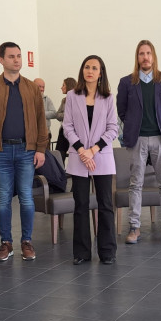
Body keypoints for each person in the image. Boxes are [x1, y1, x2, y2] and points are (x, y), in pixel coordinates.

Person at [0, 42, 47, 262]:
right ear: (1, 60)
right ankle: (6, 243)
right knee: (4, 198)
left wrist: (41, 149)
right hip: (1, 150)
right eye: (11, 56)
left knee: (26, 198)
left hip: (27, 150)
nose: (17, 60)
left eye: (19, 56)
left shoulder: (31, 88)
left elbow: (40, 121)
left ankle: (26, 241)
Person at [117, 39, 161, 245]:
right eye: (141, 53)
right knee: (136, 184)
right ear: (137, 57)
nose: (145, 57)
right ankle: (134, 227)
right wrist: (134, 126)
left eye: (148, 53)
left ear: (153, 56)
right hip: (137, 139)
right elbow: (122, 110)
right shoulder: (127, 83)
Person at [63, 55, 118, 265]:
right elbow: (67, 126)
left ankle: (107, 252)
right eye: (87, 67)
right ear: (82, 70)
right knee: (81, 205)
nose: (90, 71)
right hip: (79, 158)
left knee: (105, 204)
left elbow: (113, 128)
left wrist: (93, 150)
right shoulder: (71, 96)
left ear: (100, 72)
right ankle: (82, 252)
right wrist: (81, 150)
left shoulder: (108, 98)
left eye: (95, 68)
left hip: (101, 157)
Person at [55, 77, 77, 163]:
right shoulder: (64, 100)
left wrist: (66, 115)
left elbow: (76, 115)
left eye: (63, 85)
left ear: (69, 86)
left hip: (75, 131)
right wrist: (67, 115)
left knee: (75, 153)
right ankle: (60, 173)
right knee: (59, 154)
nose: (61, 87)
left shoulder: (78, 100)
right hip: (63, 130)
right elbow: (57, 115)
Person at [34, 77, 56, 148]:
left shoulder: (47, 100)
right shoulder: (27, 99)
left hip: (46, 134)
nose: (42, 89)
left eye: (43, 87)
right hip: (32, 135)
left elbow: (53, 113)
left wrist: (40, 113)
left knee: (46, 157)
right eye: (39, 86)